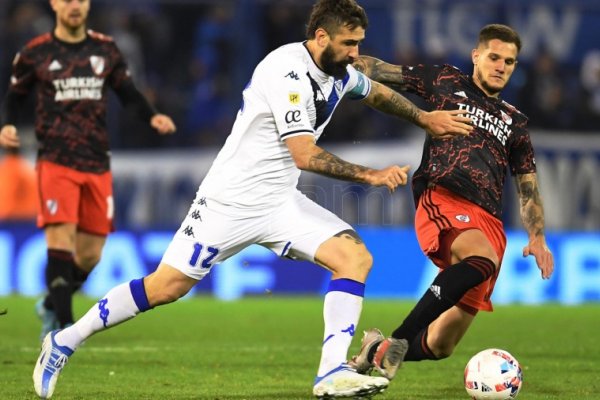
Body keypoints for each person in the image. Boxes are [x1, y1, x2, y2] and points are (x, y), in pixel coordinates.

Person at [31, 1, 472, 399]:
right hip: (228, 203)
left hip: (280, 202)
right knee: (165, 287)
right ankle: (65, 340)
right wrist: (369, 174)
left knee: (354, 257)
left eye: (359, 43)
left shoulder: (338, 71)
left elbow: (372, 90)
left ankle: (330, 373)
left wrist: (424, 118)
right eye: (349, 43)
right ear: (321, 37)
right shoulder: (285, 70)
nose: (356, 52)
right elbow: (304, 152)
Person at [348, 24, 554, 382]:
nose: (501, 66)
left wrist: (537, 236)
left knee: (442, 345)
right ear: (476, 56)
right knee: (480, 258)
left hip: (488, 224)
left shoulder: (516, 123)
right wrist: (336, 59)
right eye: (494, 57)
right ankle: (399, 337)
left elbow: (528, 187)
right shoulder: (445, 80)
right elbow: (380, 70)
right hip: (444, 197)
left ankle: (376, 351)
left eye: (510, 61)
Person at [0, 0, 176, 342]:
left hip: (97, 162)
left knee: (91, 254)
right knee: (60, 241)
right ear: (54, 4)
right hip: (55, 161)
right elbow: (14, 96)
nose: (74, 6)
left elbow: (128, 93)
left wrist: (151, 115)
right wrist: (7, 124)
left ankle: (51, 302)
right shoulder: (35, 53)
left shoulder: (105, 50)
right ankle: (61, 329)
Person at [0, 147, 38, 221]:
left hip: (10, 219)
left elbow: (8, 193)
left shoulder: (6, 170)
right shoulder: (29, 169)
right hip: (30, 217)